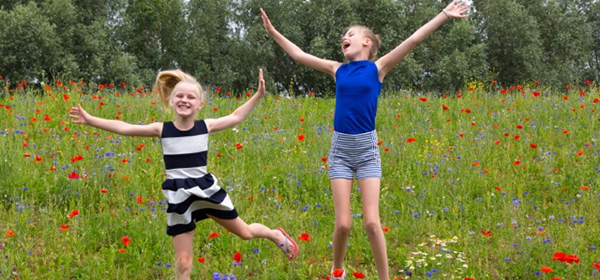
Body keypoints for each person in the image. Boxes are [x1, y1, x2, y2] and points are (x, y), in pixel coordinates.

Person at [261, 2, 468, 279]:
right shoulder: (337, 69)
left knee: (372, 222)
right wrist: (273, 32)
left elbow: (414, 39)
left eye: (350, 34)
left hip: (368, 152)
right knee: (343, 224)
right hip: (341, 152)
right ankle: (337, 272)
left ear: (367, 42)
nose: (344, 38)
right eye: (343, 36)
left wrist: (444, 15)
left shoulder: (378, 68)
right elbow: (299, 55)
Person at [69, 69, 298, 280]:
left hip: (206, 191)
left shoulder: (205, 126)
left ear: (200, 104)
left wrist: (258, 95)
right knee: (183, 263)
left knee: (246, 233)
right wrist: (90, 120)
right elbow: (125, 127)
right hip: (179, 197)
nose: (184, 100)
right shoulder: (162, 130)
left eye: (190, 97)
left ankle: (275, 235)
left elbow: (236, 117)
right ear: (171, 100)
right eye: (179, 96)